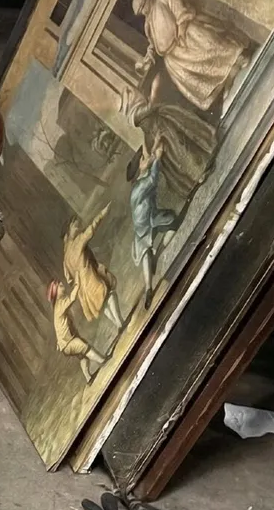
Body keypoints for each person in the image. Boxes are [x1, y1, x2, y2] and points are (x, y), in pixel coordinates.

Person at [132, 0, 249, 113]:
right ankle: (225, 81)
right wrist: (147, 58)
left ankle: (238, 59)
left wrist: (182, 28)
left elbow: (179, 9)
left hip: (184, 33)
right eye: (141, 11)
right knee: (181, 71)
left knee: (203, 40)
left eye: (142, 7)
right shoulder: (147, 24)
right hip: (173, 55)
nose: (143, 12)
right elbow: (153, 45)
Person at [120, 83, 217, 212]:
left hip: (163, 129)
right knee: (179, 155)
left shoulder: (138, 115)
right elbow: (151, 109)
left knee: (182, 150)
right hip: (162, 132)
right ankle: (197, 175)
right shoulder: (139, 113)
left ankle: (200, 170)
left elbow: (151, 110)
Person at [126, 139, 178, 310]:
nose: (145, 158)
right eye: (143, 159)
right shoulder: (141, 186)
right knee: (173, 221)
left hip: (142, 225)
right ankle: (158, 255)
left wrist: (155, 142)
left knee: (145, 252)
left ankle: (149, 287)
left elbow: (148, 168)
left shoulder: (137, 185)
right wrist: (158, 158)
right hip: (149, 220)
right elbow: (153, 179)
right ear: (139, 169)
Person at [62, 206, 124, 333]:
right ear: (68, 231)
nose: (78, 228)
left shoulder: (65, 258)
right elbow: (91, 229)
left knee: (102, 302)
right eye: (75, 226)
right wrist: (102, 213)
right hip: (91, 277)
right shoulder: (77, 242)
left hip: (83, 287)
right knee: (109, 293)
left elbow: (69, 279)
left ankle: (118, 324)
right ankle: (120, 322)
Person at [48, 279, 107, 384]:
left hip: (67, 342)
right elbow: (72, 298)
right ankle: (102, 360)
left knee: (82, 356)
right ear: (56, 292)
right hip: (68, 343)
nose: (63, 285)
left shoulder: (59, 304)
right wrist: (77, 285)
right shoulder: (60, 304)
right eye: (60, 286)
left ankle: (88, 377)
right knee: (84, 347)